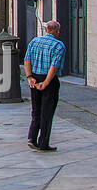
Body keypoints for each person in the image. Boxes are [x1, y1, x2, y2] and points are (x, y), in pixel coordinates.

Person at [24, 19, 66, 151]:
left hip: (34, 77)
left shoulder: (34, 41)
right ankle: (43, 143)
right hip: (48, 80)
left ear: (46, 30)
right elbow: (54, 67)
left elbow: (27, 60)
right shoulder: (59, 46)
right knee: (47, 112)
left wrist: (29, 77)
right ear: (57, 31)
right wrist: (46, 83)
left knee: (36, 109)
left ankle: (31, 137)